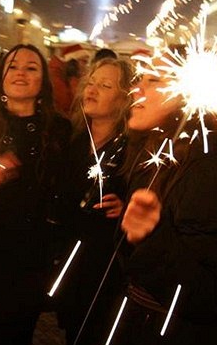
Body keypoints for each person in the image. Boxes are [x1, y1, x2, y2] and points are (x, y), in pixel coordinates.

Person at [111, 50, 217, 344]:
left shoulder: (216, 173)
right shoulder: (158, 160)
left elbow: (212, 298)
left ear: (189, 93)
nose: (135, 88)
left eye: (153, 80)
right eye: (140, 78)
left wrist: (151, 237)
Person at [0, 43, 72, 345]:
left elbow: (65, 188)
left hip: (35, 255)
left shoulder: (58, 126)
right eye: (13, 66)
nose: (20, 72)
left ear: (42, 80)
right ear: (1, 75)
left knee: (20, 330)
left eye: (31, 67)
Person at [56, 58, 134, 345]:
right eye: (91, 82)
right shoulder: (70, 139)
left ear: (125, 98)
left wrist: (126, 209)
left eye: (105, 85)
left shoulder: (133, 151)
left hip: (105, 274)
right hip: (67, 264)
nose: (92, 89)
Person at [49, 43, 90, 118]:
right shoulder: (56, 76)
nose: (86, 66)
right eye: (84, 62)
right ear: (73, 62)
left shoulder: (67, 76)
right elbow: (70, 104)